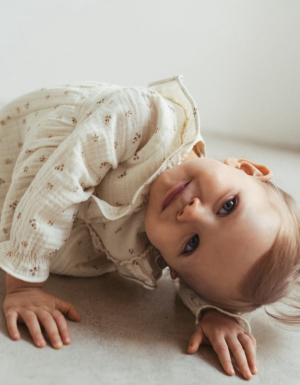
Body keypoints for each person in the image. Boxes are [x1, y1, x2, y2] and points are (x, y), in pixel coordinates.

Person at [0, 76, 299, 381]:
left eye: (192, 244)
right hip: (14, 158)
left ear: (176, 268)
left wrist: (216, 311)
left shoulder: (168, 244)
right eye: (227, 206)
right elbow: (59, 179)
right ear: (246, 169)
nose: (192, 213)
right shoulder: (143, 121)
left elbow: (210, 275)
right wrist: (24, 284)